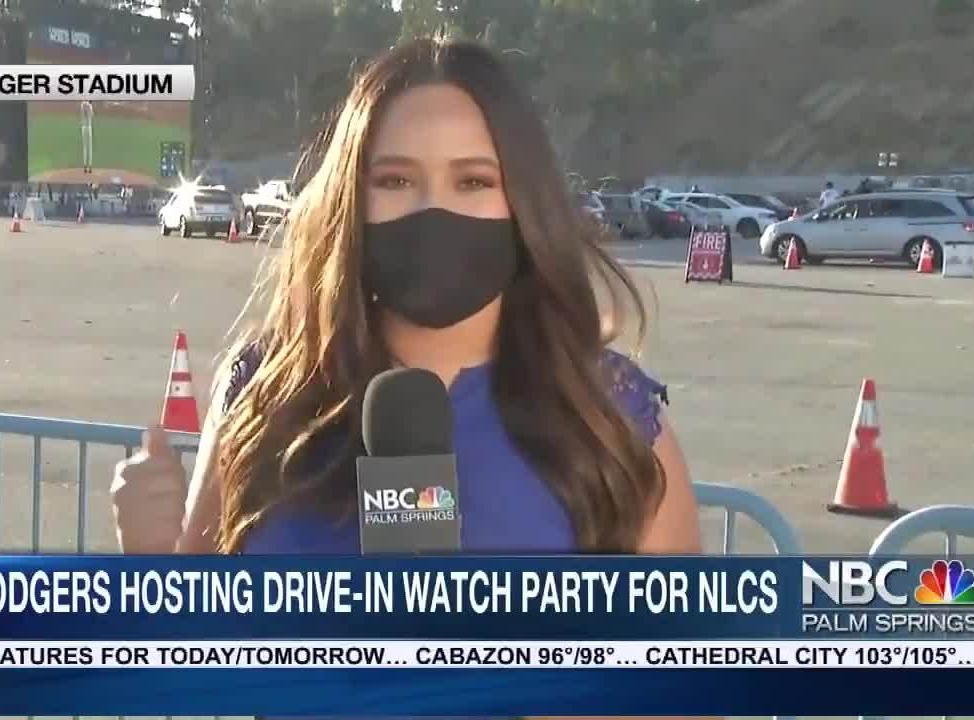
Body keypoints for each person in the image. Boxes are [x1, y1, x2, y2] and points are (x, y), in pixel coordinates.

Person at [113, 36, 700, 569]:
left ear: (524, 205)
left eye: (473, 181)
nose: (431, 212)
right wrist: (149, 563)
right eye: (395, 181)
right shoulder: (264, 391)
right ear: (350, 202)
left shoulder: (611, 417)